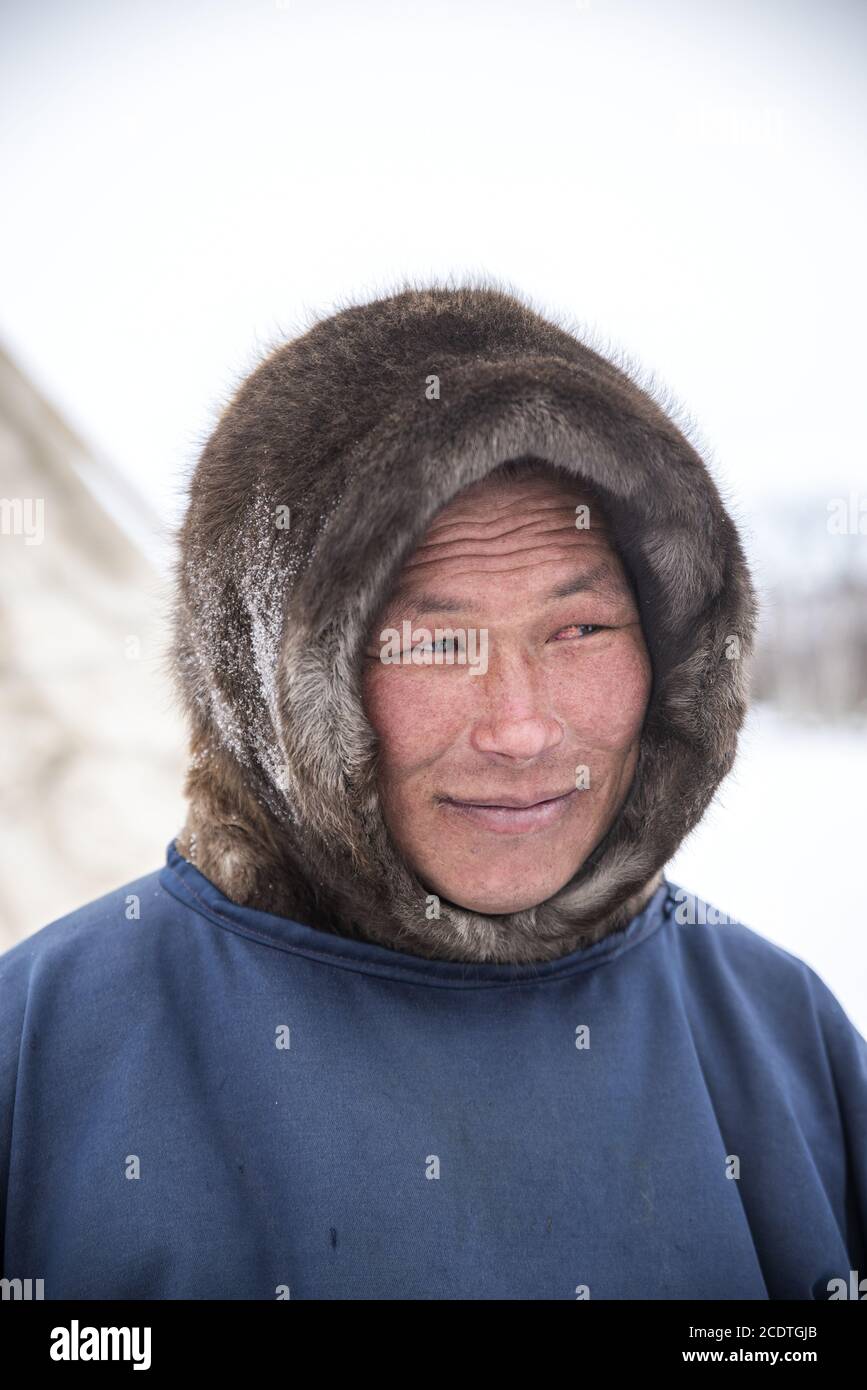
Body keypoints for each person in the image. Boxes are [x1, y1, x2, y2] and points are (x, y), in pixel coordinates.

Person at [1, 282, 865, 1300]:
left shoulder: (777, 1036)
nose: (519, 727)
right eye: (434, 641)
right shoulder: (47, 1050)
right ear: (266, 676)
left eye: (580, 629)